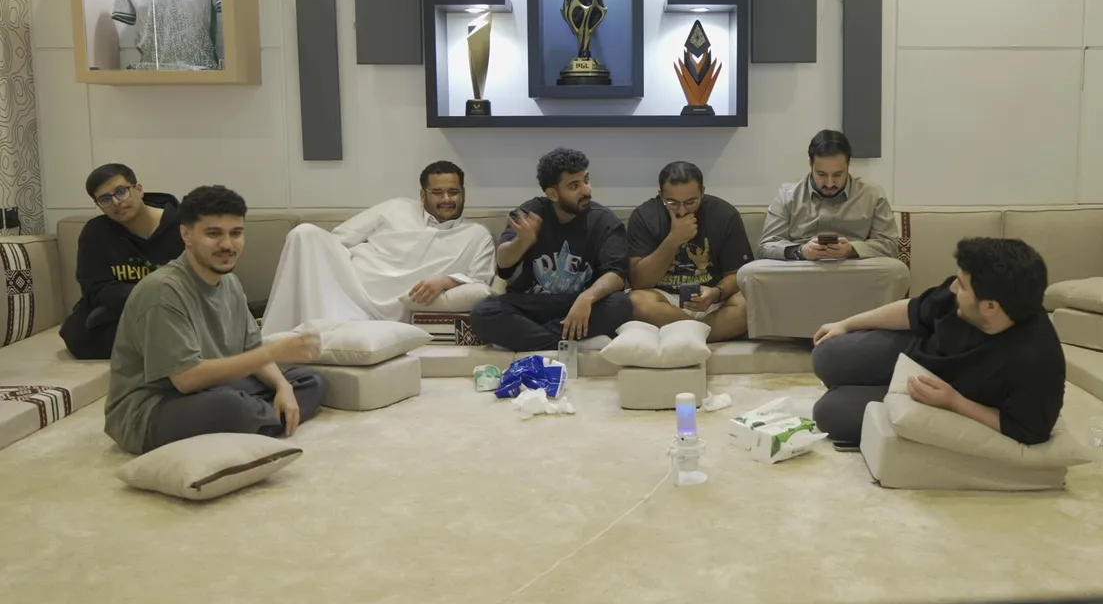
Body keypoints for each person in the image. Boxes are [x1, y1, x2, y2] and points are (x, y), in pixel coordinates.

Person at [104, 185, 327, 455]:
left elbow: (251, 348)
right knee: (230, 407)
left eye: (236, 233)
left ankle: (257, 420)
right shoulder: (163, 290)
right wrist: (274, 352)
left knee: (309, 380)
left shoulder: (230, 283)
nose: (227, 245)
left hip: (212, 388)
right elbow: (186, 378)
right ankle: (260, 419)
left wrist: (283, 387)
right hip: (151, 410)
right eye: (213, 234)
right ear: (186, 235)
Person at [808, 237, 1065, 448]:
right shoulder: (963, 294)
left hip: (938, 394)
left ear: (990, 307)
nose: (953, 288)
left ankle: (849, 391)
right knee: (826, 354)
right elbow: (912, 310)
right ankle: (850, 384)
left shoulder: (1037, 358)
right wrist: (846, 324)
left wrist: (955, 403)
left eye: (962, 286)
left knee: (829, 413)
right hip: (917, 353)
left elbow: (1028, 429)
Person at [260, 161, 496, 336]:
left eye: (454, 192)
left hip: (393, 309)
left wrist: (447, 281)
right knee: (303, 234)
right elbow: (338, 240)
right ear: (422, 195)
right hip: (349, 286)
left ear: (463, 194)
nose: (447, 199)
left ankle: (308, 332)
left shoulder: (476, 234)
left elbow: (482, 280)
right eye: (437, 192)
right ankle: (271, 344)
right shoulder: (395, 208)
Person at [467, 148, 632, 352]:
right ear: (553, 194)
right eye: (574, 186)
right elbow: (503, 264)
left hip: (578, 304)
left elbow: (617, 274)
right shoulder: (531, 213)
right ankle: (574, 342)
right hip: (533, 303)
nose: (586, 191)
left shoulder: (604, 220)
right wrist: (522, 242)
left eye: (586, 181)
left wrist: (587, 297)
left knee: (621, 305)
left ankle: (532, 340)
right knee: (482, 313)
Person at [59, 163, 184, 360]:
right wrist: (144, 297)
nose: (116, 202)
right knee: (79, 335)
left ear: (139, 190)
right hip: (121, 308)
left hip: (174, 308)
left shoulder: (184, 226)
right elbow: (94, 287)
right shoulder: (95, 232)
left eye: (121, 191)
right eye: (105, 199)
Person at [627, 161, 753, 341]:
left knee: (750, 303)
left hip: (712, 298)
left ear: (702, 192)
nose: (682, 210)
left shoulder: (725, 214)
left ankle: (687, 334)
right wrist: (674, 239)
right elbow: (639, 282)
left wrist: (716, 293)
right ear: (660, 194)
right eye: (672, 202)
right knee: (635, 302)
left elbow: (738, 275)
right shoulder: (644, 216)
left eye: (690, 202)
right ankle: (703, 334)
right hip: (664, 300)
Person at [756, 129, 898, 261]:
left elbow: (890, 246)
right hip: (802, 268)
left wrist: (852, 249)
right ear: (811, 164)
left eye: (837, 174)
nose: (829, 184)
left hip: (853, 267)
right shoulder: (788, 196)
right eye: (821, 174)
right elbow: (765, 246)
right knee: (750, 271)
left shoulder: (872, 194)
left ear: (849, 165)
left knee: (897, 269)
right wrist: (800, 251)